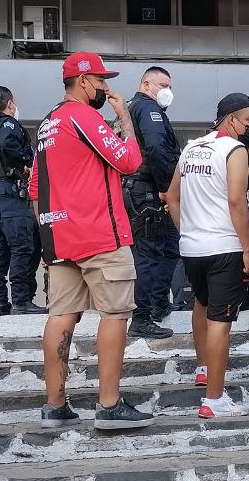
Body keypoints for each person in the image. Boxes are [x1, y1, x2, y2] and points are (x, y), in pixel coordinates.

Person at [30, 52, 156, 431]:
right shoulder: (84, 116)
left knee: (61, 315)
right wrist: (126, 120)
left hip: (59, 237)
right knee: (115, 314)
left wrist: (49, 232)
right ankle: (109, 404)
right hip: (100, 234)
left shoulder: (48, 123)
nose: (106, 87)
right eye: (101, 80)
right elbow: (130, 161)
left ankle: (55, 406)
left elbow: (36, 186)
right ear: (84, 82)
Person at [166, 93, 249, 419]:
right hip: (224, 248)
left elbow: (171, 198)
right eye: (248, 120)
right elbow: (236, 201)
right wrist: (247, 248)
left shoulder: (191, 148)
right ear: (231, 119)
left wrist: (187, 230)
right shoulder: (235, 150)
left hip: (192, 249)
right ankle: (214, 399)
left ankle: (204, 368)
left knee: (201, 305)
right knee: (221, 320)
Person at [124, 66, 181, 340]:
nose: (168, 91)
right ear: (146, 84)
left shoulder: (130, 108)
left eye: (170, 86)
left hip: (137, 190)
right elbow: (157, 149)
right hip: (148, 191)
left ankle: (158, 303)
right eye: (163, 85)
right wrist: (165, 188)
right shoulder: (148, 109)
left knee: (168, 247)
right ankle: (142, 317)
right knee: (148, 255)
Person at [0, 85, 42, 315]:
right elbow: (9, 143)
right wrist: (28, 159)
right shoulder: (7, 123)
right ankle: (21, 300)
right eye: (14, 103)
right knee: (22, 245)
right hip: (8, 193)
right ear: (9, 103)